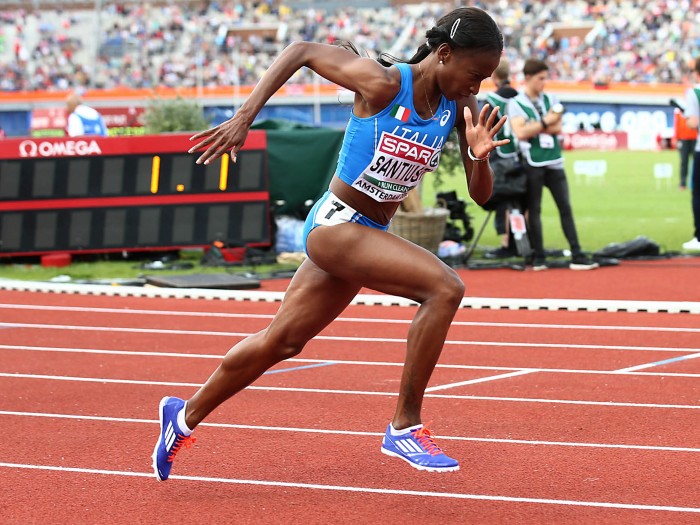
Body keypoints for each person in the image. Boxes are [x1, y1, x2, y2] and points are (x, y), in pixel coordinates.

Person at [152, 6, 508, 479]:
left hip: (367, 235)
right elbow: (300, 51)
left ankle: (182, 415)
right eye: (475, 73)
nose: (478, 86)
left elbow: (481, 196)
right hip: (337, 225)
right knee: (445, 288)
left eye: (485, 78)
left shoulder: (461, 110)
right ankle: (404, 426)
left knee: (281, 342)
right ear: (444, 54)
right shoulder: (383, 83)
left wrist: (479, 157)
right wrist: (244, 118)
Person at [508, 59, 598, 271]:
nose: (544, 83)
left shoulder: (551, 98)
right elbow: (521, 132)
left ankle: (577, 253)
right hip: (533, 161)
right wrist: (546, 122)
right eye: (541, 78)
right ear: (528, 78)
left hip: (554, 160)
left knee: (565, 207)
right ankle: (539, 257)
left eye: (546, 78)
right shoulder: (516, 103)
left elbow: (557, 127)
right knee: (535, 210)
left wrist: (537, 126)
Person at [483, 58, 523, 259]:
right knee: (521, 200)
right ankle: (524, 241)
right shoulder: (521, 97)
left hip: (501, 154)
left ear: (495, 76)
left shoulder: (492, 100)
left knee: (502, 199)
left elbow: (484, 127)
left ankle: (506, 243)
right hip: (521, 155)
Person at [682, 57, 700, 252]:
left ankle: (699, 236)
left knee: (698, 193)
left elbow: (693, 123)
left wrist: (687, 118)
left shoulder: (694, 92)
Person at [673, 105, 697, 190]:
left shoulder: (695, 108)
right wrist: (676, 137)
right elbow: (677, 124)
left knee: (697, 162)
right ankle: (683, 183)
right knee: (684, 162)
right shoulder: (678, 110)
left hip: (695, 138)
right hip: (683, 139)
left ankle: (696, 183)